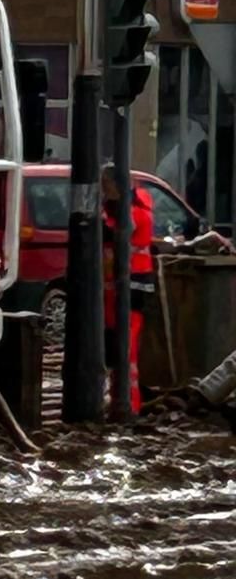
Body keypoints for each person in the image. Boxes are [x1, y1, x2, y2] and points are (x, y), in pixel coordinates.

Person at [101, 163, 155, 416]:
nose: (103, 190)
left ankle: (127, 405)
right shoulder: (123, 208)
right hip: (120, 287)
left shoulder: (132, 213)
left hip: (131, 285)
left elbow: (123, 233)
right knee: (117, 345)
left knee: (126, 347)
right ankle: (118, 401)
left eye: (106, 184)